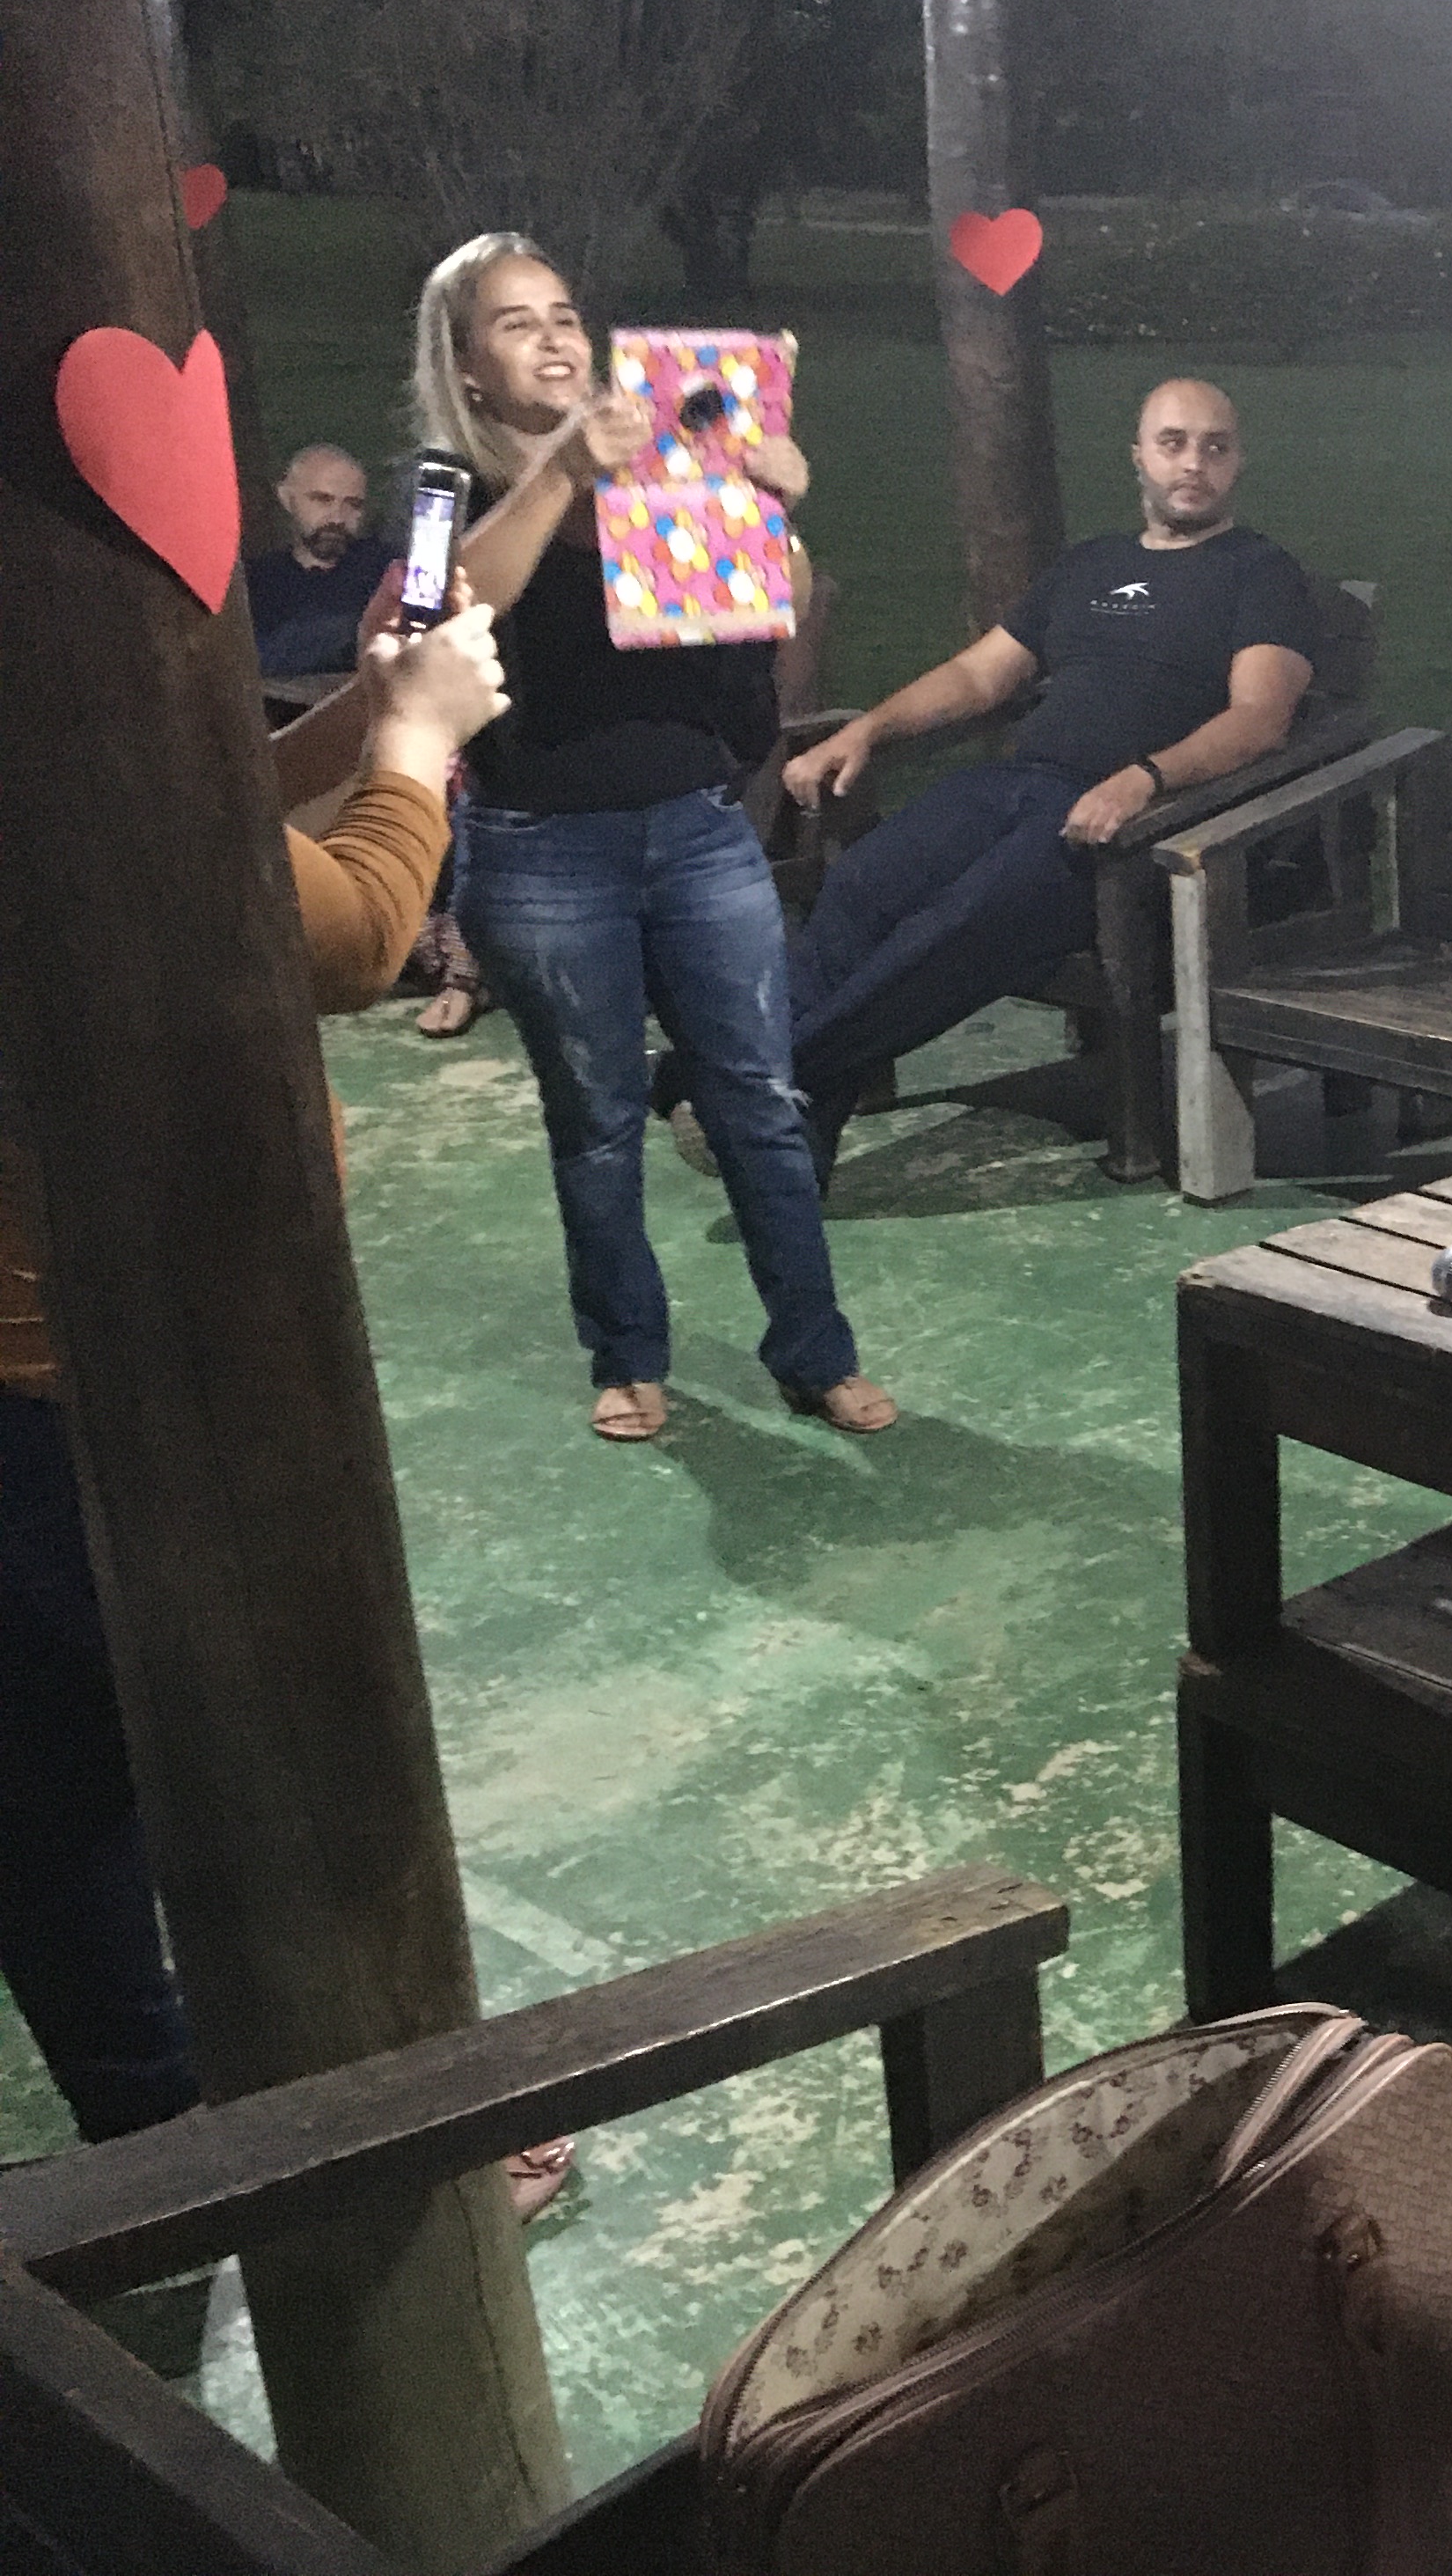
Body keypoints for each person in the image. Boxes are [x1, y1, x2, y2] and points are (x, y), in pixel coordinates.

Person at [2, 602, 568, 2212]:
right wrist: (418, 743)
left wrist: (377, 701)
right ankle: (367, 2160)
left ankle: (159, 2122)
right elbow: (346, 930)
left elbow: (210, 801)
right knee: (274, 1762)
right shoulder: (49, 756)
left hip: (52, 1369)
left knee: (52, 1783)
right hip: (114, 1374)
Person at [417, 231, 892, 1443]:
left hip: (698, 832)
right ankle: (628, 1357)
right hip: (540, 849)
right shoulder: (441, 485)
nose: (554, 338)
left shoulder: (677, 460)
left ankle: (816, 1352)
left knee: (761, 1101)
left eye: (563, 315)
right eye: (516, 323)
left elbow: (768, 619)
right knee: (596, 1119)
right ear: (465, 366)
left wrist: (773, 505)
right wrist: (563, 475)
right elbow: (436, 607)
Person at [754, 378, 1318, 1181]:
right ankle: (797, 1100)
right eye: (1173, 443)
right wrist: (868, 729)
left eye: (1215, 447)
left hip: (1134, 824)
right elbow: (980, 676)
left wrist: (1146, 779)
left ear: (1238, 463)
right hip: (1015, 785)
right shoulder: (1091, 563)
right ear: (1138, 456)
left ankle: (766, 1079)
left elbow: (1260, 718)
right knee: (863, 883)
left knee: (971, 917)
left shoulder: (1260, 573)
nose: (1194, 463)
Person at [243, 444, 399, 678]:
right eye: (323, 500)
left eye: (353, 504)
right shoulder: (256, 583)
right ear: (286, 498)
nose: (338, 518)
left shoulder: (387, 574)